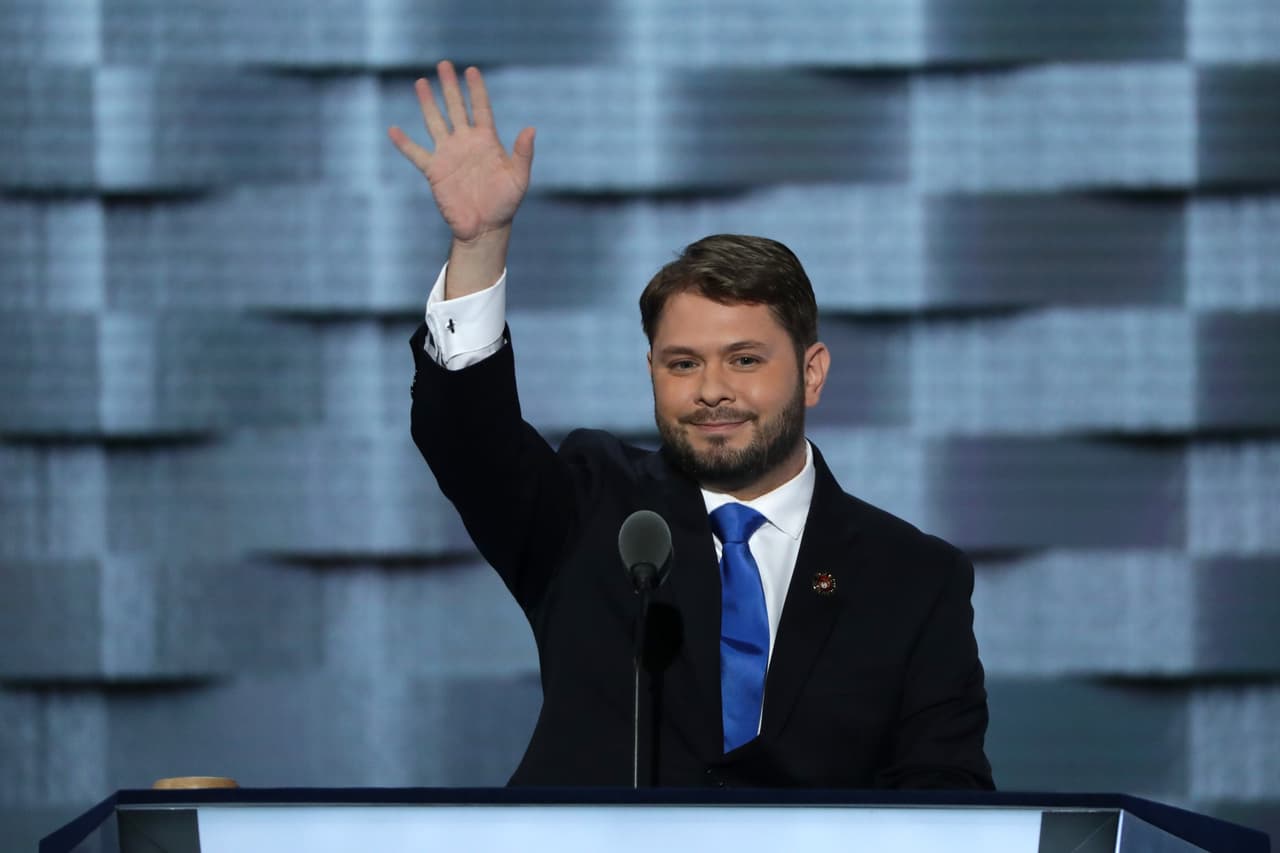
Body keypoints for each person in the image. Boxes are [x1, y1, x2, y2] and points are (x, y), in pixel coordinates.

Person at [390, 61, 994, 789]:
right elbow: (468, 438)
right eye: (681, 364)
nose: (711, 390)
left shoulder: (913, 578)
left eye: (744, 359)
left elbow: (949, 802)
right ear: (651, 372)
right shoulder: (591, 510)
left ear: (812, 372)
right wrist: (481, 245)